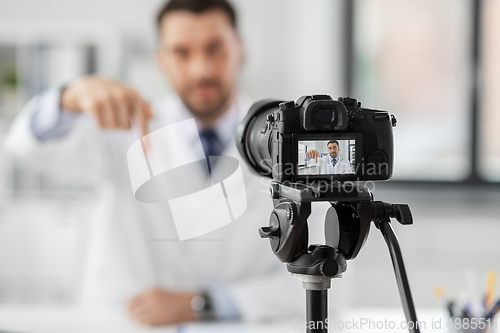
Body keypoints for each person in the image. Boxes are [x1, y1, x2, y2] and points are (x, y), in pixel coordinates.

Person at [4, 0, 351, 326]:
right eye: (181, 52)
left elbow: (325, 272)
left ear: (239, 49)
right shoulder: (123, 131)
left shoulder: (288, 145)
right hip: (125, 323)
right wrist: (68, 98)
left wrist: (206, 302)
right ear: (161, 59)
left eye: (215, 48)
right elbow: (27, 147)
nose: (201, 69)